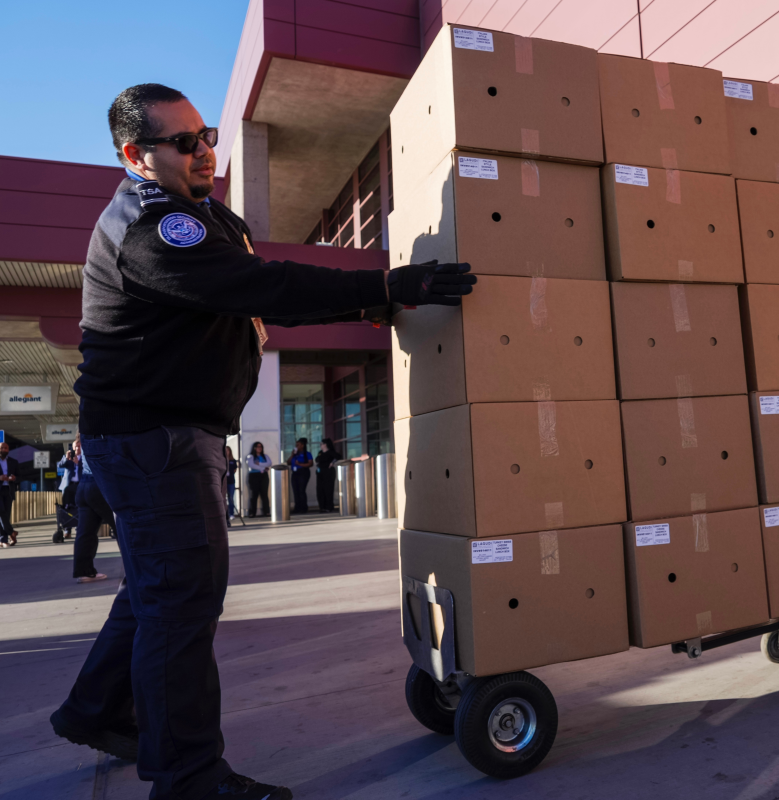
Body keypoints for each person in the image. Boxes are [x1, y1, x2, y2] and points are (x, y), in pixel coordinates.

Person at [50, 83, 475, 800]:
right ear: (134, 155)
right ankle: (188, 778)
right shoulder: (154, 229)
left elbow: (255, 295)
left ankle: (95, 709)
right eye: (183, 143)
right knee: (182, 599)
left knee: (158, 591)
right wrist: (391, 284)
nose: (205, 151)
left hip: (171, 433)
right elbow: (261, 285)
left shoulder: (201, 213)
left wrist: (375, 301)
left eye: (206, 133)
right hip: (154, 439)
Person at [73, 437, 112, 584]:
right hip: (100, 485)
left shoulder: (86, 438)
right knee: (122, 528)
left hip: (83, 486)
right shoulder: (103, 435)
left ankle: (84, 572)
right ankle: (134, 570)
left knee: (85, 533)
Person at [0, 441, 19, 547]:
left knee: (6, 514)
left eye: (6, 448)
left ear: (8, 450)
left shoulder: (13, 462)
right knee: (0, 512)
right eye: (1, 448)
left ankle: (2, 540)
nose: (4, 450)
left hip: (8, 489)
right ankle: (11, 532)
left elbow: (19, 476)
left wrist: (14, 478)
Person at [54, 440, 84, 543]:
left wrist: (78, 463)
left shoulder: (85, 457)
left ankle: (78, 528)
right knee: (67, 507)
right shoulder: (68, 456)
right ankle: (67, 530)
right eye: (75, 447)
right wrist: (67, 459)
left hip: (80, 485)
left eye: (79, 447)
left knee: (79, 506)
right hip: (68, 486)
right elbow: (60, 465)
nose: (77, 449)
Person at [288, 439, 314, 514]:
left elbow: (310, 464)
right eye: (296, 445)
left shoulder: (307, 454)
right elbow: (288, 462)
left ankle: (303, 508)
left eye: (298, 445)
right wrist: (292, 454)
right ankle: (297, 507)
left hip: (303, 472)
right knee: (295, 490)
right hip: (295, 473)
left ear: (302, 445)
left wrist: (300, 464)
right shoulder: (295, 454)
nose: (296, 446)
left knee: (301, 490)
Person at [315, 438, 341, 512]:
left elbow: (338, 456)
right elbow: (317, 459)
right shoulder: (320, 452)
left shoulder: (330, 452)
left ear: (325, 445)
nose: (320, 445)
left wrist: (332, 462)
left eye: (321, 444)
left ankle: (328, 506)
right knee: (320, 490)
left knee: (328, 489)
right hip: (320, 473)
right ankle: (322, 506)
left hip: (328, 473)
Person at [246, 442, 271, 517]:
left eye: (261, 447)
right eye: (258, 446)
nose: (259, 448)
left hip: (263, 476)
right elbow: (251, 465)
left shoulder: (265, 456)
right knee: (254, 495)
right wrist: (263, 468)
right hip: (254, 476)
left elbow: (269, 463)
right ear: (254, 448)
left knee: (264, 494)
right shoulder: (250, 456)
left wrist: (259, 464)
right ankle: (252, 512)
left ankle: (267, 512)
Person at [224, 445, 239, 522]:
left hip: (231, 481)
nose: (227, 452)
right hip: (223, 482)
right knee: (223, 499)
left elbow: (235, 470)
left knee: (231, 498)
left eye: (228, 450)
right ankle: (224, 514)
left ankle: (231, 514)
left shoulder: (233, 461)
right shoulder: (221, 460)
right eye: (225, 450)